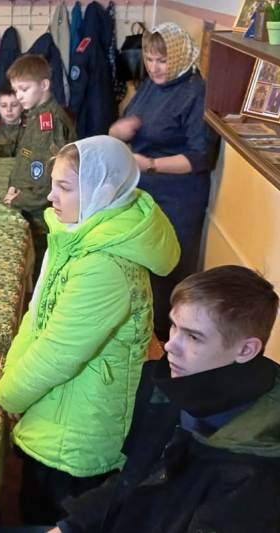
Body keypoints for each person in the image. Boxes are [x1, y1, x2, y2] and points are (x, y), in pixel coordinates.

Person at [0, 136, 180, 525]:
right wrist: (11, 377)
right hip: (58, 406)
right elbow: (38, 316)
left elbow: (57, 353)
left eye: (63, 187)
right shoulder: (80, 233)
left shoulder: (103, 266)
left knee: (52, 517)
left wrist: (6, 397)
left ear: (103, 192)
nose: (50, 197)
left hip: (76, 431)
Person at [53, 266, 280, 533]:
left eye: (193, 336)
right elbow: (132, 479)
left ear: (246, 350)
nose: (170, 345)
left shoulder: (257, 468)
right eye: (174, 326)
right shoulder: (176, 382)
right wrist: (69, 527)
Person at [108, 22, 215, 341]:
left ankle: (168, 341)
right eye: (150, 59)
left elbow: (199, 157)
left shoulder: (195, 92)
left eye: (162, 60)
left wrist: (152, 164)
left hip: (178, 197)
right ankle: (143, 334)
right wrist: (118, 130)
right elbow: (133, 124)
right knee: (143, 265)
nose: (154, 67)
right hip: (145, 190)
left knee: (168, 270)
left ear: (179, 57)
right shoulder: (152, 84)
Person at [3, 54, 76, 278]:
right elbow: (29, 158)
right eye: (16, 90)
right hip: (31, 202)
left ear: (44, 85)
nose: (18, 96)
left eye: (24, 89)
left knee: (43, 265)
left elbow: (51, 179)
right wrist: (15, 184)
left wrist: (19, 199)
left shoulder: (49, 123)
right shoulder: (37, 115)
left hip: (42, 212)